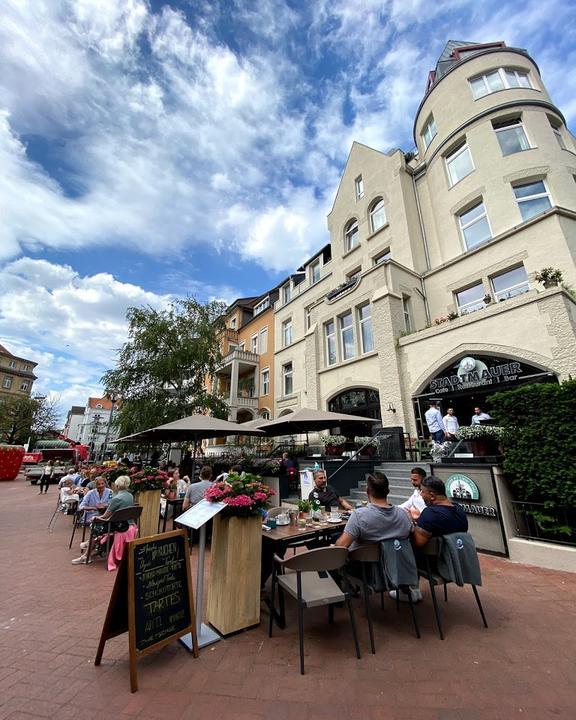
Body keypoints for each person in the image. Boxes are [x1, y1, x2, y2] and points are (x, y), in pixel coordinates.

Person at [335, 472, 412, 551]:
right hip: (398, 561)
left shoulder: (358, 516)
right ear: (388, 491)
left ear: (367, 490)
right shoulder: (403, 514)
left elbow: (340, 546)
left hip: (363, 561)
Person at [71, 476, 136, 565]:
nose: (101, 486)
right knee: (98, 526)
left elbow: (105, 517)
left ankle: (86, 555)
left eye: (103, 484)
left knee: (96, 528)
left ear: (116, 485)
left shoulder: (116, 498)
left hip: (118, 526)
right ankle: (92, 546)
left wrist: (95, 518)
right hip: (128, 524)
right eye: (99, 484)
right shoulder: (130, 496)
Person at [412, 476, 468, 548]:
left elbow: (418, 542)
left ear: (432, 495)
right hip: (460, 556)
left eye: (422, 491)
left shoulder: (430, 513)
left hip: (441, 558)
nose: (421, 494)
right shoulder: (459, 509)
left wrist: (411, 522)